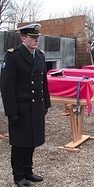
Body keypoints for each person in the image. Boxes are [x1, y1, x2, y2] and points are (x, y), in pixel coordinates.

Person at [0, 23, 51, 187]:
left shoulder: (40, 56)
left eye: (37, 37)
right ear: (23, 38)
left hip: (36, 107)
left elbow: (44, 82)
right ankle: (19, 175)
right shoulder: (13, 56)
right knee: (19, 143)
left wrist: (46, 104)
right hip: (20, 107)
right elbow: (7, 87)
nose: (36, 40)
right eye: (32, 37)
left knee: (32, 141)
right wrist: (11, 111)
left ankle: (28, 171)